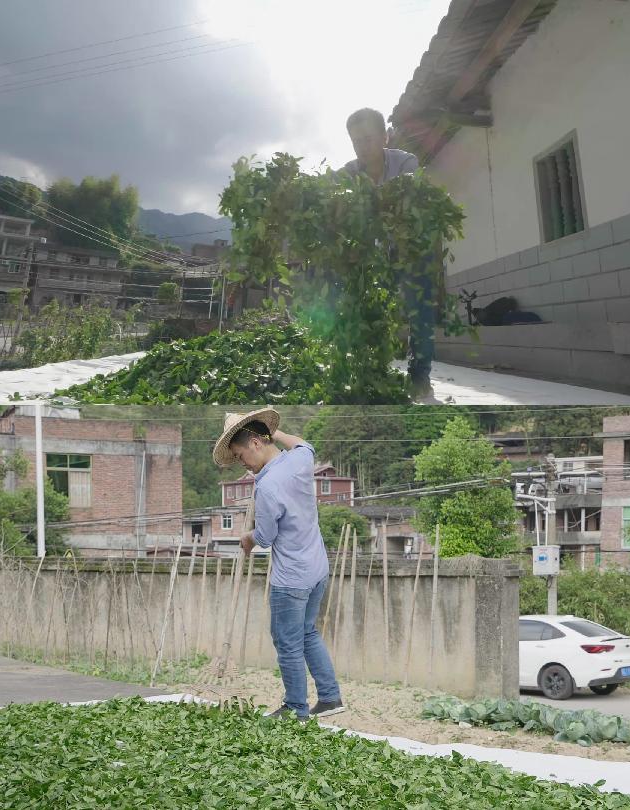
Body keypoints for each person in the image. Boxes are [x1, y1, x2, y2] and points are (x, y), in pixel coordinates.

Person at [213, 408, 345, 721]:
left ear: (256, 443)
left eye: (241, 455)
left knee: (287, 642)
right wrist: (277, 435)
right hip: (317, 569)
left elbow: (267, 536)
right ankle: (329, 697)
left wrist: (247, 538)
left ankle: (296, 708)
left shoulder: (268, 486)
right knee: (307, 633)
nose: (243, 465)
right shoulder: (298, 460)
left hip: (292, 579)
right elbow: (304, 444)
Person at [338, 107, 438, 398]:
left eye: (368, 138)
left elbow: (404, 198)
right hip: (373, 255)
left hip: (410, 251)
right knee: (368, 310)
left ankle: (420, 377)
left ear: (385, 136)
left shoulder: (406, 162)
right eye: (356, 141)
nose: (362, 147)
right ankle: (372, 370)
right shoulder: (348, 174)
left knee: (420, 311)